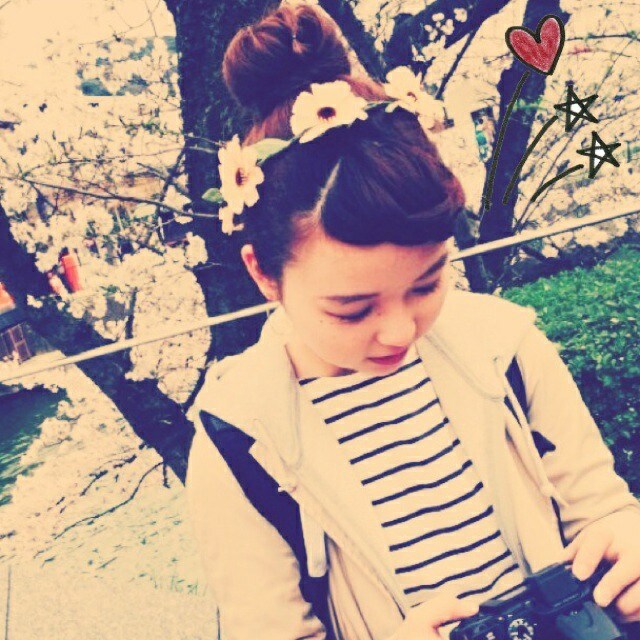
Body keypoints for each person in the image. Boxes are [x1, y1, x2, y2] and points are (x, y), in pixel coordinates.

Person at [184, 3, 640, 639]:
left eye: (428, 283)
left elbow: (600, 505)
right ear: (264, 273)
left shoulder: (503, 344)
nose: (400, 331)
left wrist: (622, 540)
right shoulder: (240, 436)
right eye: (352, 308)